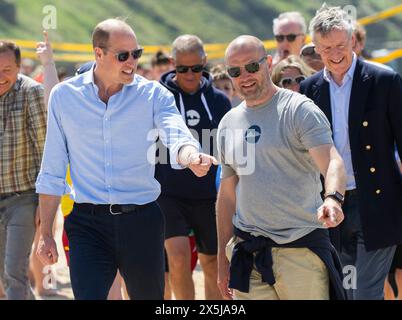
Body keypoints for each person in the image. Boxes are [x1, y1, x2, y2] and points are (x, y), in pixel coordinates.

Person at [35, 19, 217, 300]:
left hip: (142, 221)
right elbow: (53, 168)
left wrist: (190, 155)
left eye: (136, 53)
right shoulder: (64, 97)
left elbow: (175, 132)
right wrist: (46, 231)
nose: (132, 61)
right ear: (98, 53)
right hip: (87, 224)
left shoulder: (153, 94)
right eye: (123, 55)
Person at [216, 35, 347, 300]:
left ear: (268, 62)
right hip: (248, 253)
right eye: (235, 71)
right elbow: (228, 195)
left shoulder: (298, 110)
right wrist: (222, 259)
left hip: (300, 252)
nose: (245, 76)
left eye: (252, 66)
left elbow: (332, 160)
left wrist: (333, 198)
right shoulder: (228, 123)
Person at [300, 4, 402, 300]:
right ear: (316, 49)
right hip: (332, 205)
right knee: (344, 291)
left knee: (366, 293)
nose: (335, 54)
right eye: (326, 48)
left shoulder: (384, 81)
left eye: (340, 46)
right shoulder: (310, 88)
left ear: (352, 42)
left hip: (379, 201)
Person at [156, 34, 231, 300]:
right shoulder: (158, 97)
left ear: (205, 63)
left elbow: (229, 150)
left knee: (212, 263)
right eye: (182, 69)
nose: (190, 74)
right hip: (168, 193)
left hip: (209, 194)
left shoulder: (219, 101)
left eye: (196, 68)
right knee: (177, 258)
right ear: (172, 64)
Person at [0, 41, 47, 299]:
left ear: (19, 67)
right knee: (5, 275)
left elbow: (45, 149)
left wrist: (44, 203)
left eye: (7, 69)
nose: (0, 77)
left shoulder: (32, 93)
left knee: (13, 271)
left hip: (24, 198)